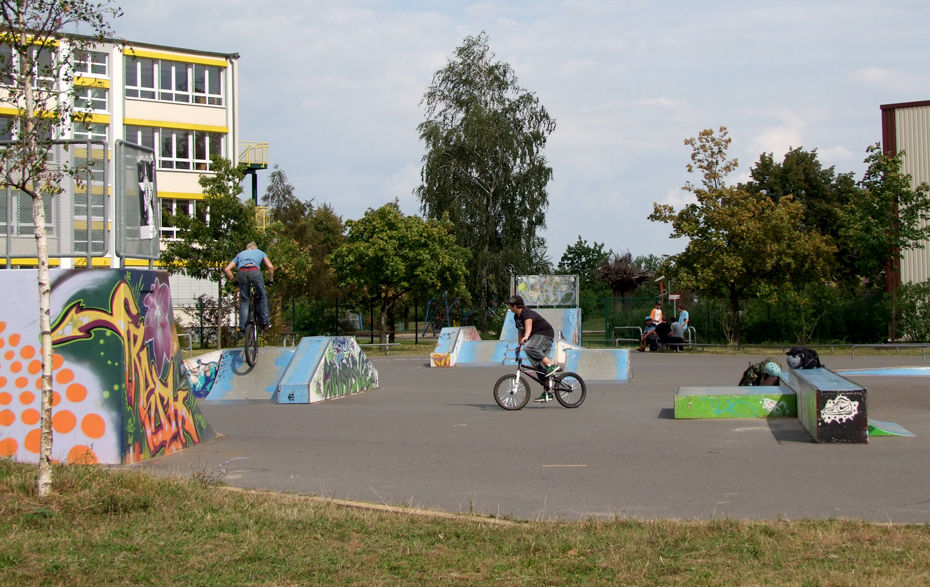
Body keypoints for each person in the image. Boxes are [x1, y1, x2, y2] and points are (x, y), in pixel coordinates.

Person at [508, 295, 561, 402]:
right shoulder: (516, 317)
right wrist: (519, 345)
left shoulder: (526, 313)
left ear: (514, 306)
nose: (508, 307)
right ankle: (548, 392)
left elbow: (528, 324)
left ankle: (552, 365)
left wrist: (526, 336)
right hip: (537, 336)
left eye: (509, 305)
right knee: (539, 366)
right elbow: (520, 330)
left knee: (530, 347)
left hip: (544, 334)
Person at [224, 242, 274, 332]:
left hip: (242, 272)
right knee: (262, 296)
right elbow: (270, 267)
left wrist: (235, 282)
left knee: (245, 299)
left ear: (247, 248)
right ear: (255, 248)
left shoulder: (240, 254)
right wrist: (270, 280)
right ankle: (265, 321)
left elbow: (227, 269)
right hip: (254, 271)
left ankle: (242, 325)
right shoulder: (260, 252)